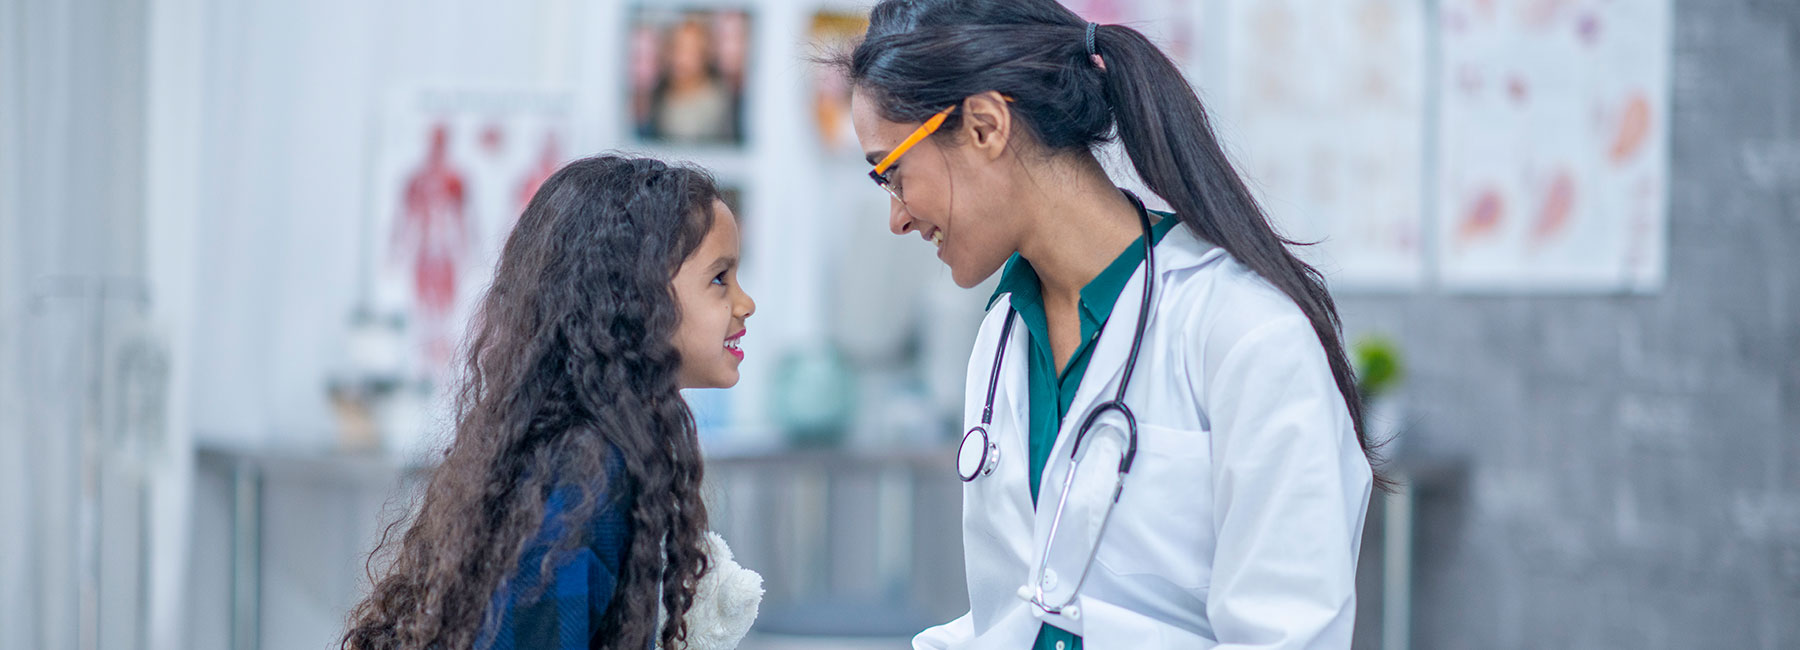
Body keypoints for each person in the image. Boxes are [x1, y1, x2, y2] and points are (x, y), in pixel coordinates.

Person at [839, 1, 1385, 647]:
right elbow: (1031, 612)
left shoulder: (1244, 335)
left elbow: (1289, 635)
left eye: (892, 174)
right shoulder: (1003, 337)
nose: (897, 218)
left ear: (985, 125)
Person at [341, 155, 756, 650]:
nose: (744, 302)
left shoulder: (606, 453)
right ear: (632, 296)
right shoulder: (589, 473)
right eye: (719, 278)